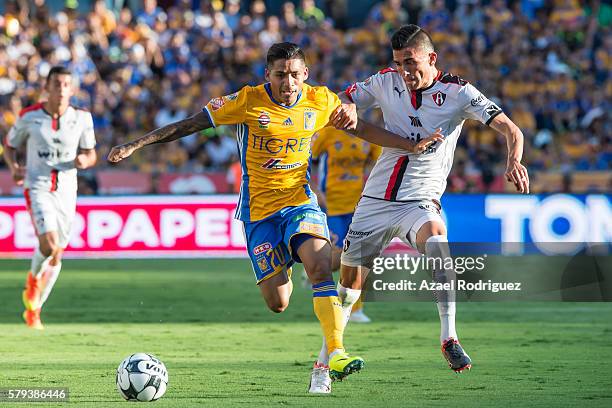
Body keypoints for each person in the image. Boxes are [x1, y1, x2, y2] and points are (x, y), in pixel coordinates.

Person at [108, 42, 441, 391]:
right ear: (268, 74)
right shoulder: (246, 101)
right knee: (278, 302)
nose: (288, 82)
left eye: (295, 74)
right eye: (281, 75)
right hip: (259, 214)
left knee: (318, 265)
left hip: (300, 202)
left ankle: (337, 351)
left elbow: (360, 128)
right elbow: (191, 124)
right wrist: (137, 144)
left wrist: (409, 145)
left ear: (305, 75)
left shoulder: (321, 100)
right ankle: (331, 257)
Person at [316, 24, 530, 386]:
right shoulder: (386, 81)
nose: (405, 71)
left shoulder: (459, 92)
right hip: (375, 201)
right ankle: (323, 367)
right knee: (349, 290)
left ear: (431, 58)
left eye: (411, 63)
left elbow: (511, 129)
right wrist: (347, 108)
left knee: (437, 242)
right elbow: (342, 97)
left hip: (420, 200)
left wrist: (513, 160)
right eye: (399, 63)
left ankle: (449, 336)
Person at [3, 66, 97, 329]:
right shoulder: (29, 116)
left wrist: (84, 160)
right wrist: (14, 168)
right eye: (56, 83)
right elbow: (9, 146)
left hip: (67, 190)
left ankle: (34, 310)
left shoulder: (82, 118)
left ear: (72, 89)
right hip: (38, 186)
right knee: (49, 245)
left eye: (66, 84)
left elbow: (91, 153)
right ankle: (33, 279)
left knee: (57, 255)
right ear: (47, 87)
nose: (61, 89)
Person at [310, 126, 382, 324]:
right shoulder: (327, 134)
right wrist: (315, 190)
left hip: (359, 204)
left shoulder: (367, 136)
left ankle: (355, 308)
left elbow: (376, 162)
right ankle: (313, 267)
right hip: (331, 203)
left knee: (359, 255)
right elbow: (309, 163)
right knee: (338, 257)